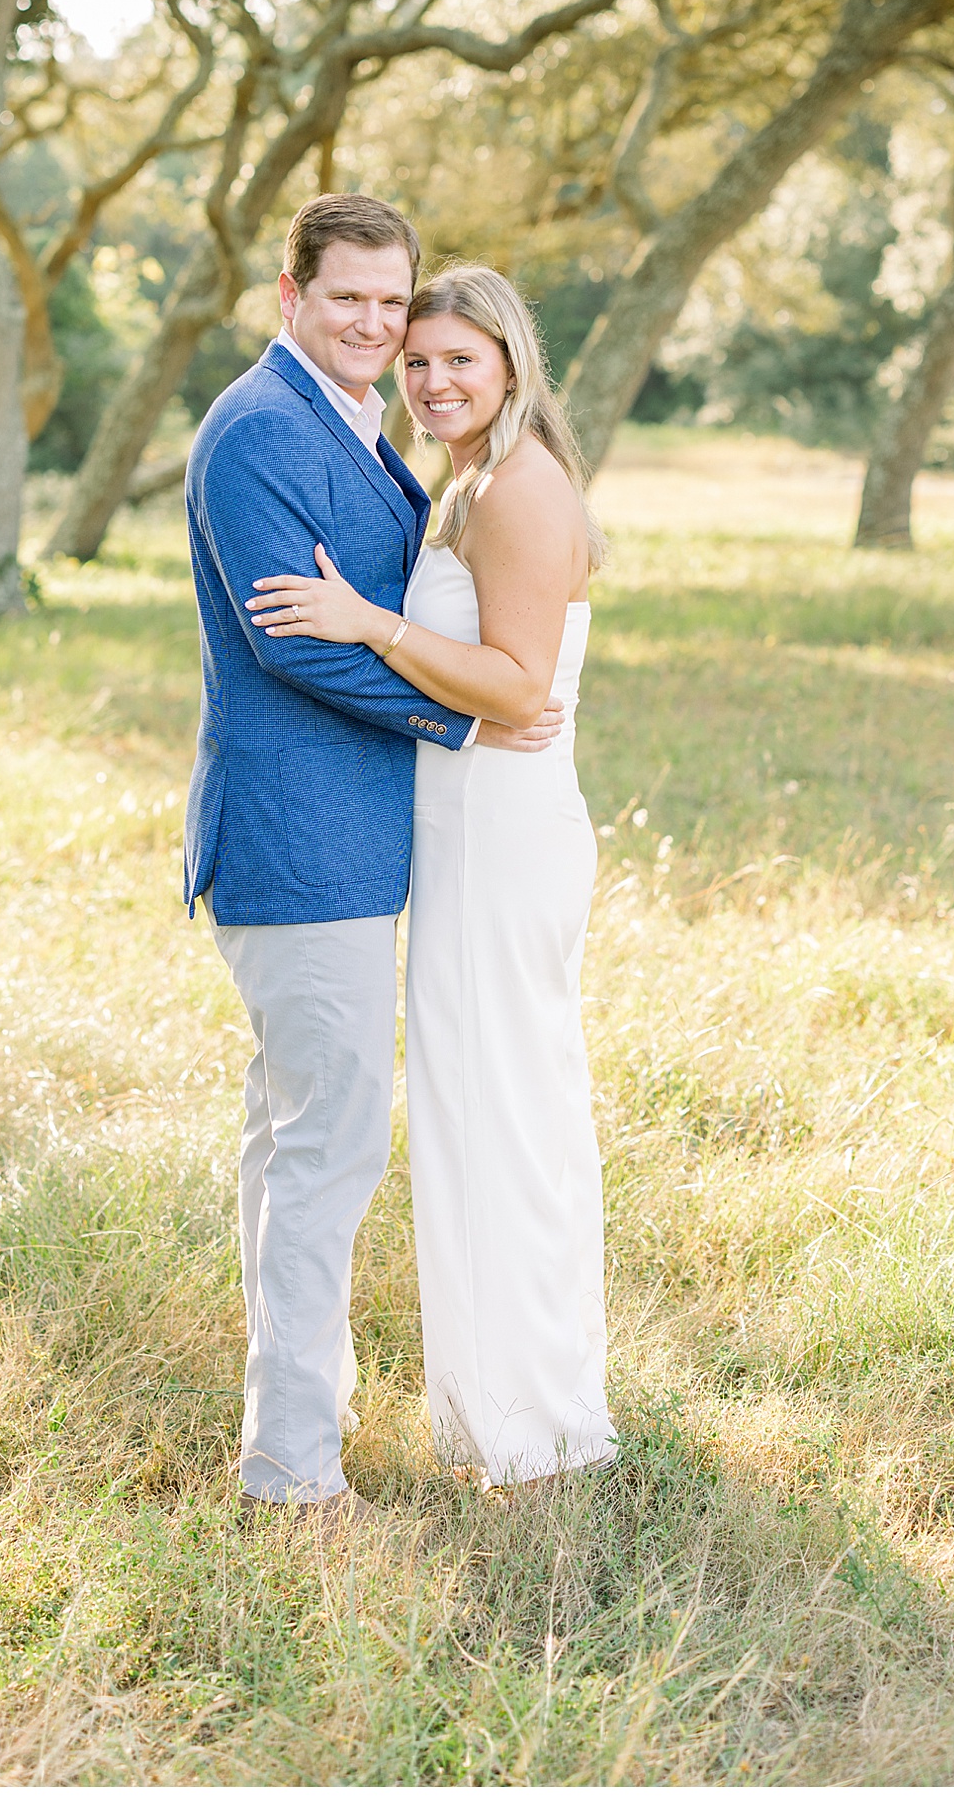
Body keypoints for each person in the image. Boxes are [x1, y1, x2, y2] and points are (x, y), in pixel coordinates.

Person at [183, 197, 562, 1522]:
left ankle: (300, 1412)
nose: (372, 323)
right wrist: (467, 709)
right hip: (298, 846)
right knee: (327, 1147)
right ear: (289, 293)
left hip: (357, 845)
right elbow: (292, 636)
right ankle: (293, 1471)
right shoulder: (255, 432)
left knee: (296, 1138)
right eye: (345, 296)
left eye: (389, 302)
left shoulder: (356, 421)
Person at [248, 262, 616, 1490]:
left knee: (506, 1112)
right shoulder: (467, 482)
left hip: (505, 832)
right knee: (476, 1109)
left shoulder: (517, 488)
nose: (433, 379)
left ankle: (532, 1425)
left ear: (511, 361)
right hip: (464, 831)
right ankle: (498, 1408)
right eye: (419, 360)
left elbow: (522, 687)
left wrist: (367, 619)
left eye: (461, 358)